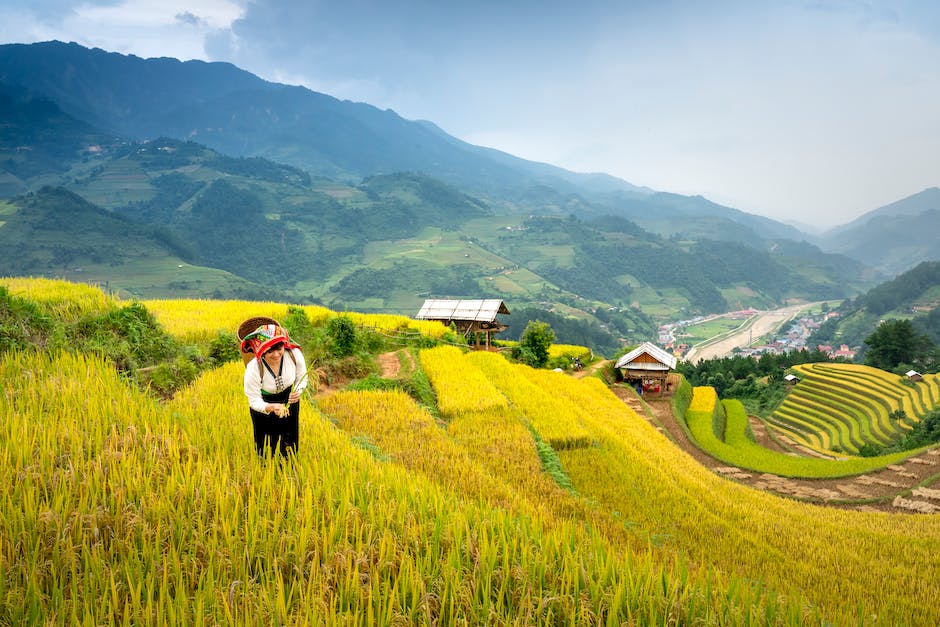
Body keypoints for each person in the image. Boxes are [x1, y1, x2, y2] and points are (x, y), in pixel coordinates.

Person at [241, 323, 308, 458]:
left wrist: (299, 391)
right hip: (265, 407)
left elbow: (302, 377)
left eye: (279, 349)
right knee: (266, 445)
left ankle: (289, 467)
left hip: (289, 401)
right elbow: (253, 400)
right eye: (270, 351)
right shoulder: (254, 368)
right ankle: (266, 471)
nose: (276, 354)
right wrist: (270, 407)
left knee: (289, 439)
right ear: (262, 351)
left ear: (284, 345)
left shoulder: (294, 355)